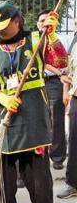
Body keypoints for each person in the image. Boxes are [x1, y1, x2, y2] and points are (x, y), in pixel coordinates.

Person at [0, 0, 68, 203]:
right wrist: (1, 97)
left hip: (34, 115)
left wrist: (53, 36)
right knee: (5, 170)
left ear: (17, 21)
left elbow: (60, 62)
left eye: (4, 24)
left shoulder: (37, 40)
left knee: (37, 171)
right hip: (4, 116)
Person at [37, 9, 68, 170]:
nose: (44, 23)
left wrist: (59, 73)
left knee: (56, 119)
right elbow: (40, 62)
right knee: (38, 119)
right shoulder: (33, 40)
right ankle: (39, 155)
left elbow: (62, 61)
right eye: (41, 20)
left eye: (47, 20)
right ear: (37, 24)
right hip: (37, 84)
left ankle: (57, 157)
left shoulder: (57, 39)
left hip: (54, 83)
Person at [57, 44, 77, 198]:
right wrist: (66, 93)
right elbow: (69, 71)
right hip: (76, 97)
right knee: (74, 141)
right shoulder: (76, 45)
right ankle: (72, 185)